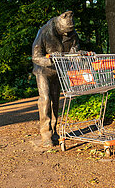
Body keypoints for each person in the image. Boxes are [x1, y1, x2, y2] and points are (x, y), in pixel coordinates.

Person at [32, 11, 80, 147]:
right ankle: (45, 134)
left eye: (69, 31)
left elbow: (75, 48)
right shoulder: (44, 32)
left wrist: (74, 54)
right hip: (43, 70)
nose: (67, 34)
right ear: (58, 25)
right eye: (64, 31)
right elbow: (35, 56)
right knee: (45, 99)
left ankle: (54, 131)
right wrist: (51, 59)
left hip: (58, 70)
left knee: (55, 100)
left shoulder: (71, 32)